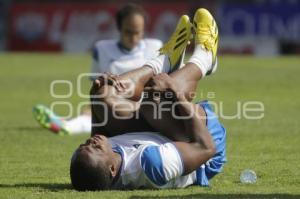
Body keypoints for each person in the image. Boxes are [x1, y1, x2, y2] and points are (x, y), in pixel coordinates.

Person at [70, 8, 226, 191]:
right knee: (153, 103)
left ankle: (164, 61)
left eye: (84, 144)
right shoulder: (152, 164)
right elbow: (206, 148)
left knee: (105, 95)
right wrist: (175, 92)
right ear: (113, 170)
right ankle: (205, 59)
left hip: (156, 133)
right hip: (204, 140)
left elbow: (102, 131)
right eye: (95, 147)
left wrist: (94, 97)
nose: (91, 142)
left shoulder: (92, 161)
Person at [32, 3, 173, 135]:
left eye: (138, 32)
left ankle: (67, 124)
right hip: (113, 104)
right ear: (119, 28)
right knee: (93, 117)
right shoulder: (102, 49)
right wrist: (92, 108)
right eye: (128, 32)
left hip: (144, 107)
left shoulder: (155, 47)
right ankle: (65, 126)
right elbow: (96, 87)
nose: (134, 37)